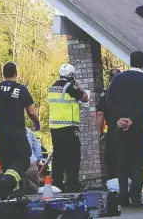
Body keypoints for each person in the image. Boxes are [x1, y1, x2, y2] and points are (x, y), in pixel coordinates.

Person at [106, 51, 143, 207]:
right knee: (138, 164)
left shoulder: (118, 79)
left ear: (130, 61)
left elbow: (109, 100)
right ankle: (135, 197)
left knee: (123, 162)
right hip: (139, 127)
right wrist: (133, 119)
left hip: (121, 128)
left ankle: (123, 196)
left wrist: (120, 118)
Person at [0, 62, 40, 200]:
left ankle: (13, 195)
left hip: (0, 137)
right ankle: (8, 182)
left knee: (8, 164)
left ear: (3, 74)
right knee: (23, 160)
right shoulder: (21, 89)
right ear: (15, 74)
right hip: (17, 135)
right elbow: (30, 112)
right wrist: (37, 123)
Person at [47, 63, 88, 192]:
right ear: (72, 75)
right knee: (74, 156)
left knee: (58, 155)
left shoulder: (52, 87)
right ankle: (72, 183)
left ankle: (57, 183)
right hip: (68, 127)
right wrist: (78, 83)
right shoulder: (69, 87)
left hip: (55, 127)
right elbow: (85, 98)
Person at [96, 68, 121, 179]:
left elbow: (100, 114)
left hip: (112, 130)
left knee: (111, 159)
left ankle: (113, 184)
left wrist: (100, 132)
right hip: (128, 129)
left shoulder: (105, 93)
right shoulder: (127, 91)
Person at [22, 127, 43, 194]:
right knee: (36, 194)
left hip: (14, 169)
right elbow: (37, 147)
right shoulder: (28, 130)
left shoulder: (5, 130)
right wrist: (36, 162)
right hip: (31, 165)